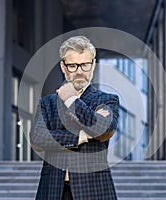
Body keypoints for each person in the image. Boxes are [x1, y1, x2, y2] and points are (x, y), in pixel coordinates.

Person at [30, 36, 120, 200]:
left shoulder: (107, 100)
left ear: (93, 65)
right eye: (72, 65)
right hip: (53, 188)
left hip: (94, 188)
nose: (79, 71)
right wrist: (81, 136)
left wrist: (72, 100)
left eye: (85, 65)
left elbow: (102, 129)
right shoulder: (47, 103)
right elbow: (37, 138)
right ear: (63, 67)